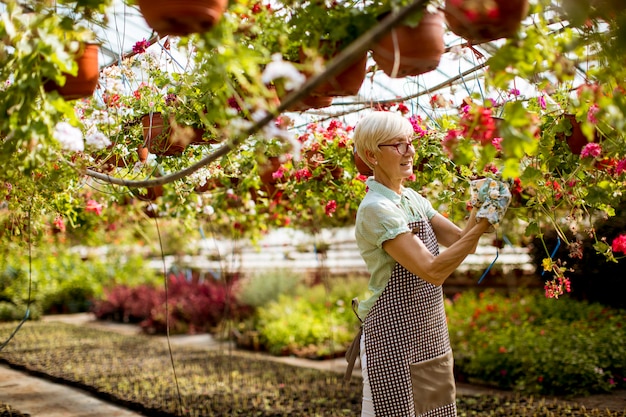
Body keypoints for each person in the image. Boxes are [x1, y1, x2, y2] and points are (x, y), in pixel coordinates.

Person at [347, 111, 511, 416]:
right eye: (397, 145)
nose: (410, 151)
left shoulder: (412, 198)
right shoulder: (376, 209)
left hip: (428, 329)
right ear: (371, 155)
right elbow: (433, 270)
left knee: (435, 410)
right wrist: (485, 220)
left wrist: (481, 201)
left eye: (409, 142)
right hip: (392, 337)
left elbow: (461, 242)